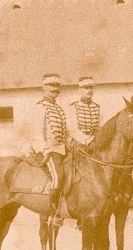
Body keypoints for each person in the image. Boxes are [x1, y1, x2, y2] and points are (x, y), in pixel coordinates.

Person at [31, 73, 70, 224]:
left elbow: (64, 132)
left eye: (57, 86)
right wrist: (45, 150)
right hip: (48, 150)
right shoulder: (40, 107)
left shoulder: (58, 109)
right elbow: (37, 132)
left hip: (62, 149)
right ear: (44, 87)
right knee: (57, 177)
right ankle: (54, 214)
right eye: (51, 85)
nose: (55, 88)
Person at [66, 76, 101, 146]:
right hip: (79, 142)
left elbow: (100, 127)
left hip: (95, 143)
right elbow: (73, 130)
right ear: (80, 90)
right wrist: (88, 141)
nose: (89, 90)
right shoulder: (73, 107)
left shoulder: (97, 107)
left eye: (91, 88)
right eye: (86, 88)